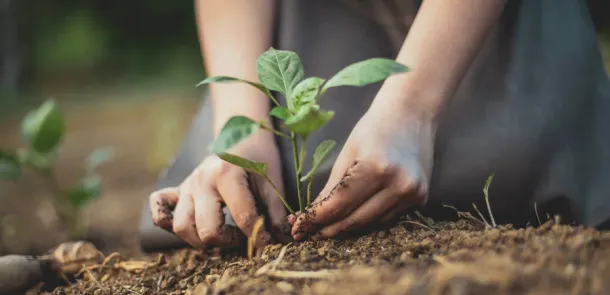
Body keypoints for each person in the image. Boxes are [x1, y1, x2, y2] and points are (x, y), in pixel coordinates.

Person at [139, 0, 610, 252]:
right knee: (239, 189)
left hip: (482, 26)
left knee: (510, 164)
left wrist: (413, 108)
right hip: (304, 22)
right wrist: (241, 129)